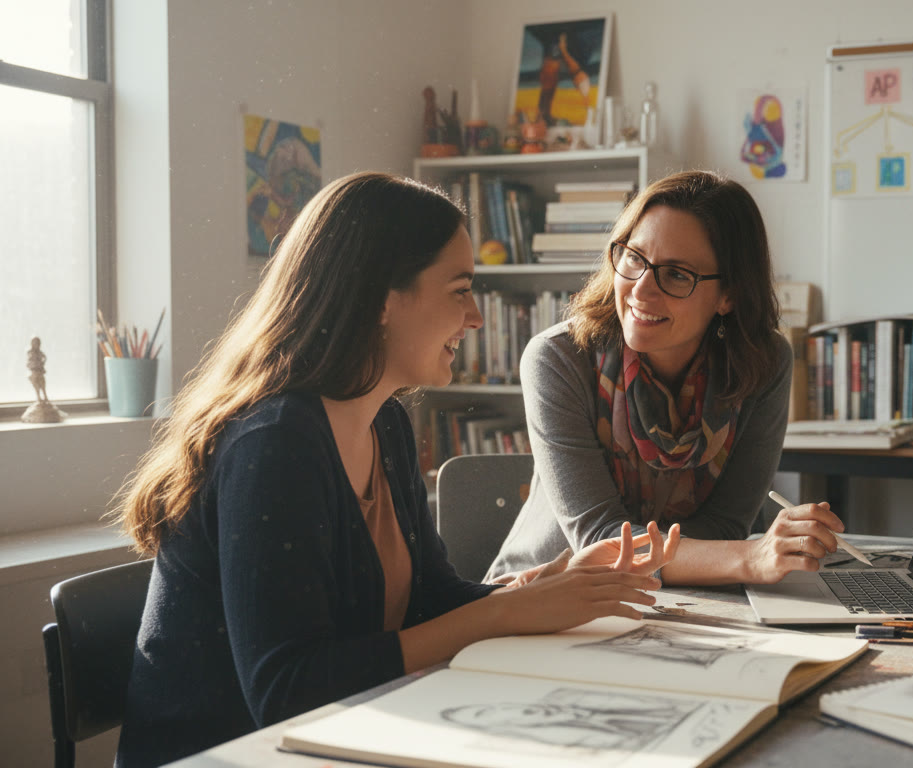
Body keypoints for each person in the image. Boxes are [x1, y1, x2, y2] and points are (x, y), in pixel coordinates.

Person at [112, 172, 678, 768]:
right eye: (460, 290)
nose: (476, 318)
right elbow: (286, 691)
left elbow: (432, 601)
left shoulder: (385, 424)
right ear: (382, 298)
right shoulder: (274, 445)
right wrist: (504, 612)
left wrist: (541, 586)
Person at [486, 170, 847, 587]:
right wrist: (748, 557)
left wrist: (739, 554)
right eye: (634, 258)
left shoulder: (763, 364)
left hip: (678, 598)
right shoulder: (558, 359)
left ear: (728, 295)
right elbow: (600, 543)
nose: (641, 291)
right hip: (541, 600)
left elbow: (725, 526)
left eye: (676, 274)